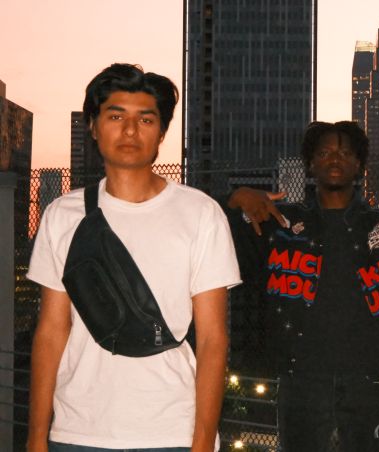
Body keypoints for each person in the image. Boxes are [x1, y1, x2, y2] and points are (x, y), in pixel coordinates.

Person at [26, 63, 241, 452]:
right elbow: (52, 331)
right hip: (76, 431)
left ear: (161, 133)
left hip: (171, 433)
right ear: (93, 127)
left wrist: (201, 443)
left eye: (145, 119)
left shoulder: (200, 214)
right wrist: (36, 438)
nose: (129, 130)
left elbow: (213, 339)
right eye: (115, 116)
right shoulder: (62, 215)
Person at [222, 120, 379, 451]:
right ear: (311, 164)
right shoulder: (281, 224)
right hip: (300, 375)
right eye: (324, 152)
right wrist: (235, 198)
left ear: (359, 165)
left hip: (366, 375)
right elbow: (211, 231)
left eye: (345, 153)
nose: (335, 159)